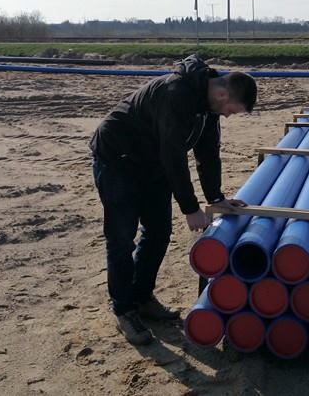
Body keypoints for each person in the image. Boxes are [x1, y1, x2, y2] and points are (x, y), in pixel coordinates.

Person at [89, 54, 256, 345]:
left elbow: (208, 154)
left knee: (159, 232)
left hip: (151, 163)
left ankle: (142, 297)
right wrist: (190, 208)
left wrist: (216, 197)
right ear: (222, 94)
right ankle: (124, 310)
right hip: (118, 159)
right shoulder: (176, 93)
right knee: (121, 238)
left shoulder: (208, 108)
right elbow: (173, 154)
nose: (229, 116)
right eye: (232, 110)